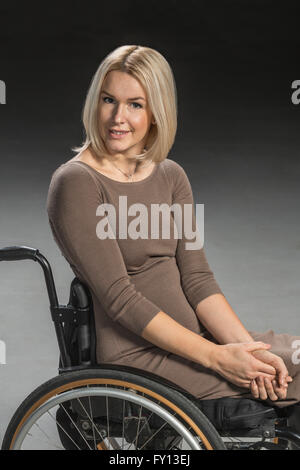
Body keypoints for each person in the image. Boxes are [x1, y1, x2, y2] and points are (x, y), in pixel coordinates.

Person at [46, 45, 300, 411]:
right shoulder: (75, 183)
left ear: (156, 112)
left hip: (201, 340)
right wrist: (216, 359)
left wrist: (246, 352)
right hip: (138, 358)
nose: (118, 117)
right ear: (94, 102)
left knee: (281, 368)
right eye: (108, 100)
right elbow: (120, 299)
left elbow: (198, 279)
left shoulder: (171, 175)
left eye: (135, 104)